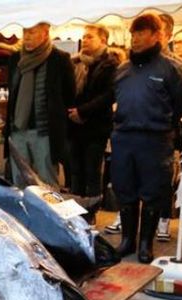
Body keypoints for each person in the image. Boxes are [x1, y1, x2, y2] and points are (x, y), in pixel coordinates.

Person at [111, 13, 182, 263]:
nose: (135, 39)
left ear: (157, 35)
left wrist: (163, 126)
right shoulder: (123, 69)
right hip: (123, 138)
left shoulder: (172, 68)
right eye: (133, 34)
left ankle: (145, 244)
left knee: (153, 192)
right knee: (125, 189)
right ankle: (128, 241)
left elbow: (181, 104)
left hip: (155, 140)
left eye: (141, 33)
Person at [4, 23, 75, 188]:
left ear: (45, 33)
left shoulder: (59, 59)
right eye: (24, 32)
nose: (27, 36)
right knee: (19, 182)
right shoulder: (15, 59)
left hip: (45, 133)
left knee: (47, 182)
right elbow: (12, 95)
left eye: (32, 32)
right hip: (18, 131)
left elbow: (69, 96)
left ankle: (49, 213)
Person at [67, 24, 118, 225]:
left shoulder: (110, 64)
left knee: (92, 172)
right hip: (75, 125)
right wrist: (72, 112)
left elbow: (108, 95)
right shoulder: (76, 63)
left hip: (96, 126)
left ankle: (90, 213)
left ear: (102, 40)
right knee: (75, 172)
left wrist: (82, 112)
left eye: (89, 37)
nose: (85, 40)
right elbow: (69, 91)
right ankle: (75, 211)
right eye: (84, 37)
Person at [154, 13, 182, 242]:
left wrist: (167, 121)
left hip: (163, 132)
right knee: (133, 178)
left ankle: (164, 219)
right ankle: (125, 217)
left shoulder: (177, 65)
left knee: (163, 179)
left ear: (166, 35)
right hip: (138, 131)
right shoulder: (135, 63)